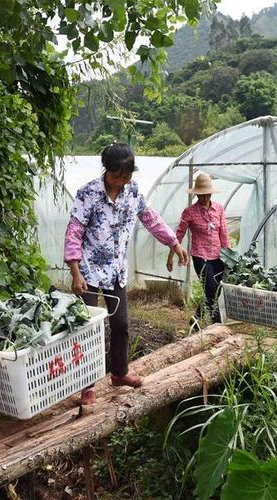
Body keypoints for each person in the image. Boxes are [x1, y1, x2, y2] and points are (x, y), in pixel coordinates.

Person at [64, 143, 188, 405]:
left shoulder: (132, 192)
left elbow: (150, 218)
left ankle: (119, 374)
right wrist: (75, 271)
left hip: (116, 271)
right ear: (106, 170)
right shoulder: (88, 193)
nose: (121, 181)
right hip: (86, 271)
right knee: (88, 329)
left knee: (120, 324)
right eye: (116, 176)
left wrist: (174, 243)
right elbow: (74, 231)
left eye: (126, 176)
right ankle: (87, 386)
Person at [168, 172, 230, 324]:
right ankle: (217, 323)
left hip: (218, 256)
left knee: (217, 290)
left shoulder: (219, 209)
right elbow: (178, 235)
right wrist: (170, 256)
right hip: (200, 257)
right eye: (201, 195)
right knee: (211, 289)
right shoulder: (189, 212)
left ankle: (196, 319)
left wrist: (229, 257)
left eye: (207, 195)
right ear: (196, 194)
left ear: (210, 193)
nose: (204, 198)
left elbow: (224, 235)